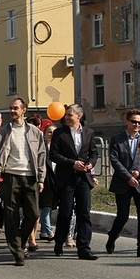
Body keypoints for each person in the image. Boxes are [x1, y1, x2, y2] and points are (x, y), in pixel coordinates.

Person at [0, 98, 46, 266]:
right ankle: (17, 252)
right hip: (10, 176)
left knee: (34, 214)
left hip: (30, 177)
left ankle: (19, 242)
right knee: (11, 215)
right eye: (10, 108)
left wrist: (41, 178)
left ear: (24, 110)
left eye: (16, 108)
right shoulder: (5, 131)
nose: (12, 111)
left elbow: (42, 156)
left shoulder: (35, 132)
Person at [49, 104, 98, 261]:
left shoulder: (89, 132)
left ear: (79, 116)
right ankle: (59, 241)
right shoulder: (59, 133)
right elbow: (54, 155)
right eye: (66, 115)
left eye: (70, 115)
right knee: (66, 212)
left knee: (84, 212)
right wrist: (72, 163)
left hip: (83, 178)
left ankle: (84, 248)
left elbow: (93, 152)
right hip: (67, 178)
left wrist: (91, 163)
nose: (67, 118)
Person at [107, 109, 140, 258]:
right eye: (134, 122)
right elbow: (114, 160)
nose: (137, 125)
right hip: (123, 183)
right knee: (123, 216)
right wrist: (128, 176)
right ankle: (112, 236)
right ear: (127, 122)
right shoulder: (117, 139)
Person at [38, 124, 57, 241]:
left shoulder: (58, 147)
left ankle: (44, 231)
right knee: (46, 206)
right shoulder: (42, 147)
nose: (51, 134)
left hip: (55, 180)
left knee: (50, 207)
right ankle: (49, 231)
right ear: (44, 134)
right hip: (45, 180)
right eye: (49, 132)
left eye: (54, 132)